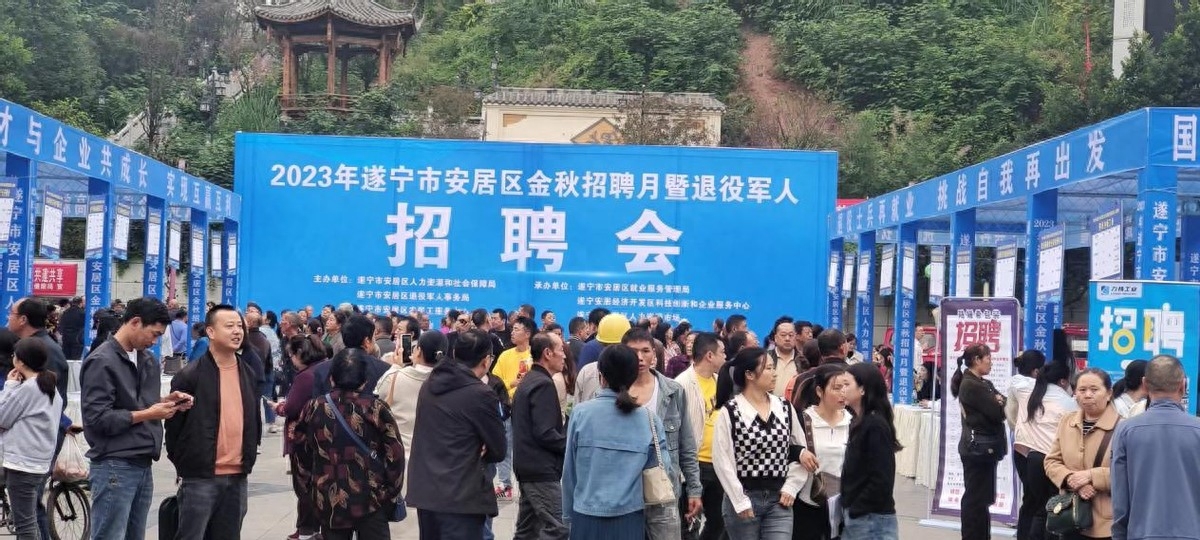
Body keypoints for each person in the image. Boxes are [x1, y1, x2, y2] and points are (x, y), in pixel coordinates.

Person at [81, 297, 190, 540]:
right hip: (114, 463)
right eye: (154, 334)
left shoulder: (146, 358)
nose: (154, 341)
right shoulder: (102, 361)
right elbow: (98, 418)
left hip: (143, 461)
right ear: (135, 322)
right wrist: (150, 414)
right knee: (109, 535)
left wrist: (168, 400)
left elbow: (136, 402)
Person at [165, 304, 263, 540]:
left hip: (238, 475)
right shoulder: (190, 375)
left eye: (239, 326)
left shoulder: (247, 372)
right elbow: (174, 428)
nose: (237, 331)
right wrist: (186, 464)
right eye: (229, 326)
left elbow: (253, 419)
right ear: (210, 331)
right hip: (200, 477)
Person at [294, 348, 406, 540]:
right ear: (365, 380)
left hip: (329, 498)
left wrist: (309, 491)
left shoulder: (314, 408)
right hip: (371, 498)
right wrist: (388, 492)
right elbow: (395, 455)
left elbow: (300, 454)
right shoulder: (376, 409)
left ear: (331, 379)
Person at [406, 329, 506, 540]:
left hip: (427, 492)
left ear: (454, 353)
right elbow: (498, 449)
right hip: (462, 495)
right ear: (486, 360)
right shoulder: (481, 394)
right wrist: (481, 445)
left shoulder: (430, 384)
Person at [563, 344, 670, 539]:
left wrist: (568, 516)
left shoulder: (581, 414)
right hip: (629, 518)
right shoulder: (649, 419)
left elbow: (569, 471)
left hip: (586, 516)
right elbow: (664, 467)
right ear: (633, 377)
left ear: (601, 376)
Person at [711, 347, 816, 539]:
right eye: (768, 368)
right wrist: (739, 499)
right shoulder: (731, 411)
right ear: (749, 375)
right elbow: (722, 460)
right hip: (744, 497)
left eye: (773, 367)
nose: (774, 373)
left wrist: (791, 486)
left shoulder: (784, 407)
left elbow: (799, 448)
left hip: (779, 499)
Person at [1111, 354, 1200, 540]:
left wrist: (1119, 534)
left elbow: (1120, 496)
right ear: (1183, 385)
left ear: (1144, 384)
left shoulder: (1125, 430)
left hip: (1142, 533)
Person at [624, 328, 701, 539]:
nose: (640, 357)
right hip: (623, 492)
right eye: (633, 352)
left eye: (645, 351)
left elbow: (686, 445)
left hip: (664, 490)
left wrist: (694, 490)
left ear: (654, 353)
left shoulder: (672, 390)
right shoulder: (613, 391)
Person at [0, 338, 65, 540]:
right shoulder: (49, 386)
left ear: (20, 361)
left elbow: (2, 417)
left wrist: (10, 386)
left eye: (14, 355)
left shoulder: (29, 388)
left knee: (25, 525)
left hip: (22, 464)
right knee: (29, 520)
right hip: (37, 463)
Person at [1044, 368, 1119, 540]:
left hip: (1107, 522)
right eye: (1082, 390)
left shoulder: (1123, 427)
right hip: (1070, 516)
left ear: (1109, 393)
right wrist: (1072, 480)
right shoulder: (1067, 422)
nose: (1087, 395)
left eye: (1094, 389)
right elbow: (1052, 461)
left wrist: (1091, 476)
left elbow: (1130, 472)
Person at [511, 332, 569, 539]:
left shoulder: (530, 380)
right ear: (547, 353)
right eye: (561, 350)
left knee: (527, 531)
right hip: (540, 469)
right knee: (557, 528)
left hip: (528, 466)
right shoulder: (542, 384)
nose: (564, 355)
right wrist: (570, 443)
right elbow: (545, 433)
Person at [676, 332, 728, 540]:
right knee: (690, 521)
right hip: (694, 463)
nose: (725, 357)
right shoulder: (682, 384)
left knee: (719, 521)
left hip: (718, 462)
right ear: (709, 355)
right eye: (722, 352)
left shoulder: (721, 382)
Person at [951, 343, 1006, 540]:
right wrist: (998, 402)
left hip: (985, 450)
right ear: (977, 360)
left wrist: (999, 402)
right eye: (988, 359)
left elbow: (1004, 402)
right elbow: (998, 413)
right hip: (977, 450)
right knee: (975, 500)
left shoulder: (984, 383)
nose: (991, 363)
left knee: (982, 500)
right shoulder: (971, 385)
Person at [374, 330, 448, 477]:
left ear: (418, 351)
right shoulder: (450, 384)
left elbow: (376, 400)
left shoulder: (394, 377)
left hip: (398, 458)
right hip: (435, 462)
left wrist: (395, 367)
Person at [1016, 360, 1076, 540]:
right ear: (1063, 381)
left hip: (1032, 458)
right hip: (1054, 462)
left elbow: (1014, 383)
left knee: (1039, 508)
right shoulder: (1068, 403)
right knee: (1055, 509)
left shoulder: (1030, 396)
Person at [275, 334, 327, 540]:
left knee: (304, 485)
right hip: (323, 435)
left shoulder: (305, 376)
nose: (291, 360)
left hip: (303, 437)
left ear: (299, 353)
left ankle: (306, 529)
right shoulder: (325, 368)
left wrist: (278, 407)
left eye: (291, 356)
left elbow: (291, 407)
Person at [840, 362, 901, 539]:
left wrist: (857, 508)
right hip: (860, 516)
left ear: (862, 389)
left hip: (871, 519)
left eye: (847, 384)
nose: (842, 390)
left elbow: (882, 478)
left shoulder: (874, 425)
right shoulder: (859, 421)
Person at [792, 364, 850, 540]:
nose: (843, 393)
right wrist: (800, 453)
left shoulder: (853, 421)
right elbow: (787, 451)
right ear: (819, 391)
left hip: (844, 504)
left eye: (846, 386)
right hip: (809, 502)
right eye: (837, 388)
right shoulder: (803, 420)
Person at [1005, 348, 1045, 535]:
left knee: (1030, 497)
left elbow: (1011, 418)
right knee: (1035, 499)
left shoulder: (1014, 384)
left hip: (1020, 445)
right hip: (1032, 448)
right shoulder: (1030, 387)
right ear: (1036, 371)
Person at [768, 321, 801, 397]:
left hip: (794, 403)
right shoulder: (766, 358)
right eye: (783, 335)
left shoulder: (803, 360)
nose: (787, 338)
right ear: (776, 338)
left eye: (791, 335)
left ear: (795, 337)